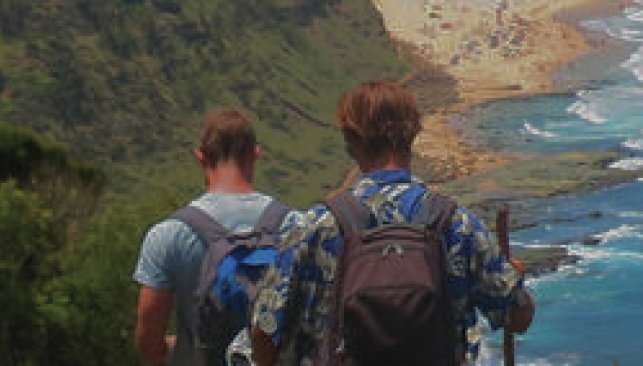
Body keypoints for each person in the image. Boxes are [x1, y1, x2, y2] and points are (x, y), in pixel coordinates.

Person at [248, 81, 531, 366]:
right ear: (413, 134)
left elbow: (264, 329)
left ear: (351, 141)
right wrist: (514, 277)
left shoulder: (315, 226)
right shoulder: (457, 225)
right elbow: (518, 317)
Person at [133, 108, 292, 365]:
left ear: (200, 157)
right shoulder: (295, 226)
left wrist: (181, 349)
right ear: (256, 153)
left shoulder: (168, 235)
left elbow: (149, 342)